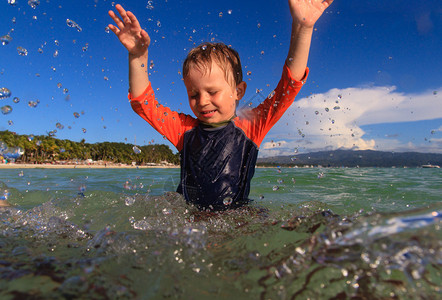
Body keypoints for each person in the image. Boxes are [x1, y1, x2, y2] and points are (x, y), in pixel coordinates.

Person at [108, 0, 334, 211]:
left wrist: (303, 29)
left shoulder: (250, 126)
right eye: (194, 94)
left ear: (238, 92)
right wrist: (138, 56)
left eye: (213, 92)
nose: (203, 101)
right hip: (192, 222)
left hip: (234, 221)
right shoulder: (185, 131)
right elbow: (144, 105)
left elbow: (288, 88)